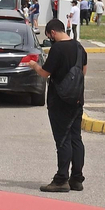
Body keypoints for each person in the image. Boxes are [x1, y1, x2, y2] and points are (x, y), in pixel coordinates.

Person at [28, 18, 85, 193]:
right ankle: (76, 178)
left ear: (52, 33)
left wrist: (34, 65)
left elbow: (45, 73)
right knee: (76, 138)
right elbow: (83, 72)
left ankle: (61, 179)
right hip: (76, 99)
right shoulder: (79, 47)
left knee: (62, 139)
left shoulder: (57, 49)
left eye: (49, 35)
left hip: (60, 101)